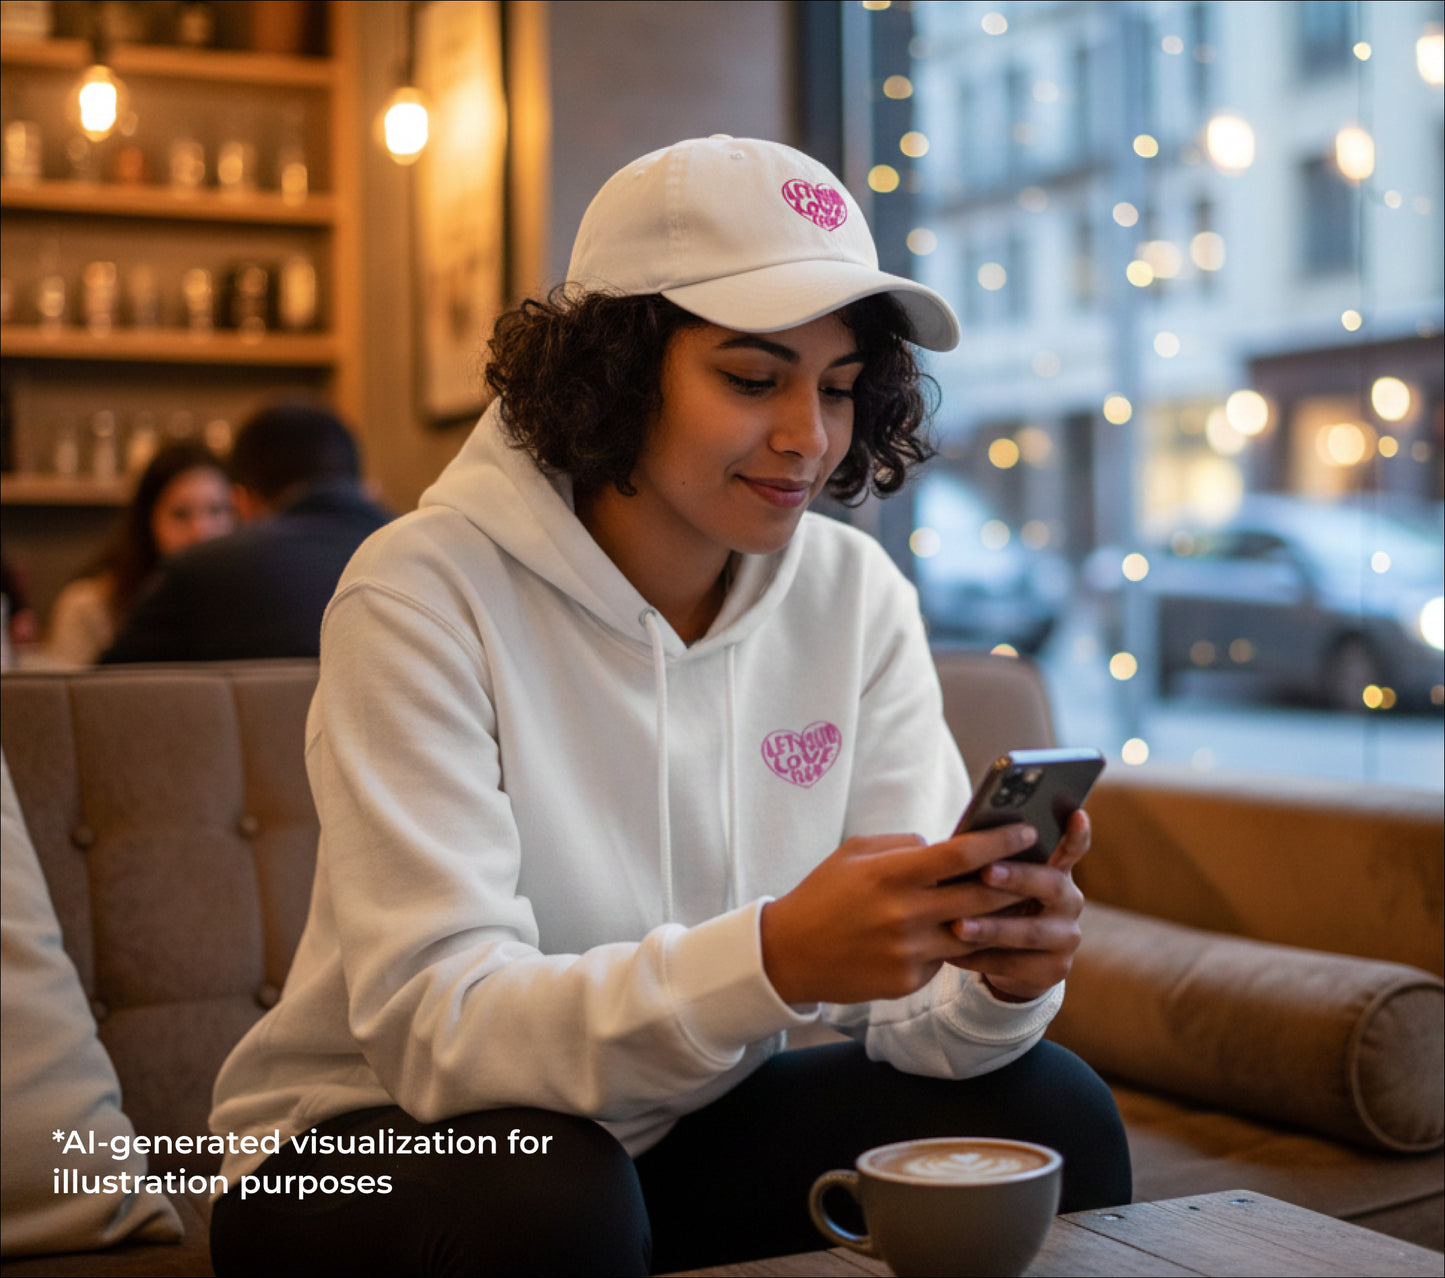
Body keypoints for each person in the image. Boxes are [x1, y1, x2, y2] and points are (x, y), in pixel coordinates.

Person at [208, 136, 1130, 1276]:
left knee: (1048, 1111)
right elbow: (441, 1039)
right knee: (549, 1199)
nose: (807, 436)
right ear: (612, 368)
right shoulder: (420, 590)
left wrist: (995, 976)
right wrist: (774, 958)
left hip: (661, 1130)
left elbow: (915, 1014)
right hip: (358, 1150)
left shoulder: (852, 597)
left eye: (839, 389)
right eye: (753, 378)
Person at [99, 402, 390, 664]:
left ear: (242, 503)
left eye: (217, 510)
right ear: (363, 487)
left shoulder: (202, 571)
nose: (201, 529)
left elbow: (104, 701)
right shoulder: (424, 550)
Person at [43, 441, 234, 667]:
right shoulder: (88, 607)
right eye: (181, 515)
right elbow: (62, 700)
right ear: (147, 521)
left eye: (217, 510)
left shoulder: (246, 604)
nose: (201, 532)